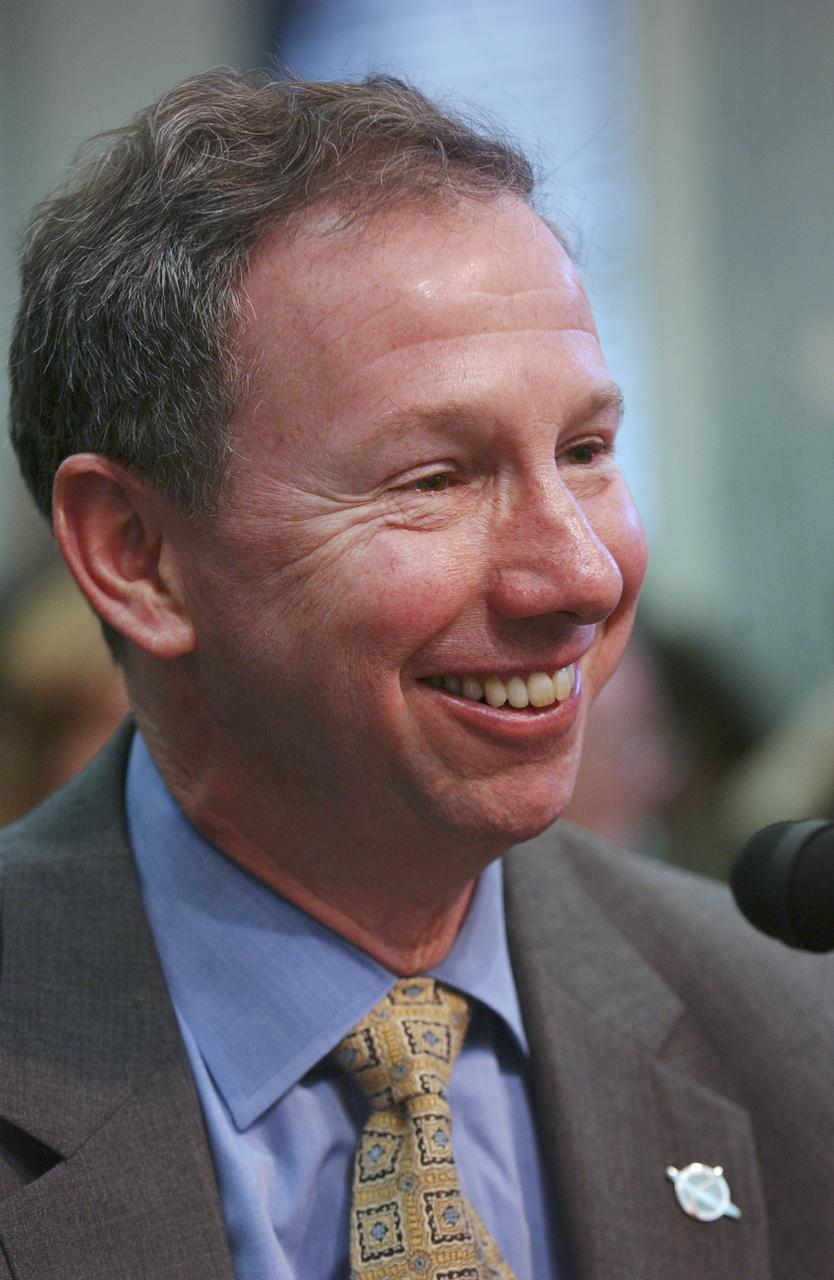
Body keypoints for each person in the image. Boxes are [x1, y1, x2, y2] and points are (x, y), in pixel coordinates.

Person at [3, 71, 833, 1280]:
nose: (580, 573)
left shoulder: (786, 1029)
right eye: (435, 476)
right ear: (139, 555)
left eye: (588, 452)